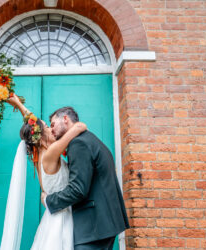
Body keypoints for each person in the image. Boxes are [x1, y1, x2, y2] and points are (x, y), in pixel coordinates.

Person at [41, 106, 130, 250]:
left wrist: (48, 200)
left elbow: (78, 189)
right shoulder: (90, 139)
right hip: (103, 224)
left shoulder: (78, 144)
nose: (51, 130)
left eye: (52, 124)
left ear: (65, 119)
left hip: (93, 227)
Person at [7, 94, 87, 250]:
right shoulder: (50, 154)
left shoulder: (40, 155)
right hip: (62, 219)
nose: (52, 130)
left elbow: (35, 125)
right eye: (48, 128)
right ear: (41, 137)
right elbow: (78, 128)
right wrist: (77, 127)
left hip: (53, 216)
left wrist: (18, 104)